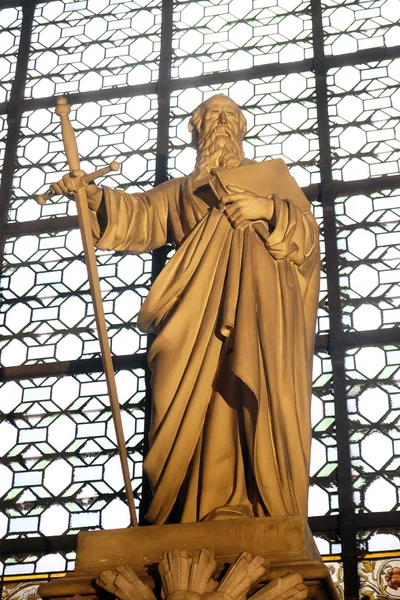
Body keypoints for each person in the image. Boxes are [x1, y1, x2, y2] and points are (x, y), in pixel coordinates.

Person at [51, 94, 320, 525]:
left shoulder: (269, 176)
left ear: (243, 126)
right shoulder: (179, 191)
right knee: (176, 404)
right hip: (188, 318)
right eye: (213, 115)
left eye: (231, 115)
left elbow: (305, 239)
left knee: (241, 390)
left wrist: (266, 209)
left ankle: (245, 505)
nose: (223, 122)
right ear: (196, 128)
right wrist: (93, 195)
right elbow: (139, 218)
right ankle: (181, 515)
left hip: (253, 312)